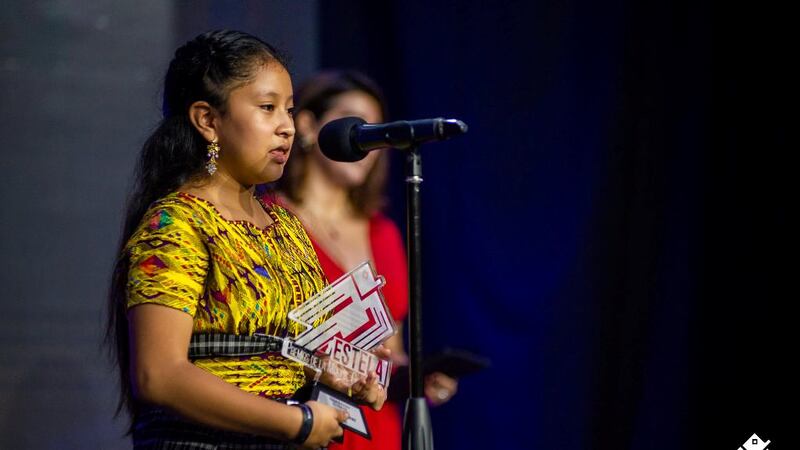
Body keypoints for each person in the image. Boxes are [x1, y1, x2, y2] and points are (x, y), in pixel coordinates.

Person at [106, 31, 387, 450]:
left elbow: (279, 352)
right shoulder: (177, 223)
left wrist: (333, 371)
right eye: (267, 108)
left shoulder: (285, 227)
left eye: (290, 111)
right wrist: (297, 423)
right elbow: (158, 375)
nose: (286, 128)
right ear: (207, 119)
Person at [275, 70, 458, 450]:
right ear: (308, 126)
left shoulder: (385, 233)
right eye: (356, 124)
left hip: (376, 430)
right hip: (306, 425)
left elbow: (391, 353)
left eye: (377, 130)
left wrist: (417, 378)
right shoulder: (268, 221)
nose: (368, 142)